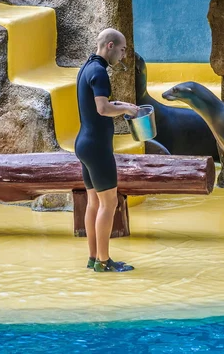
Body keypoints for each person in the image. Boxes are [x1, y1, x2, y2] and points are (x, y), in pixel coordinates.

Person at [75, 28, 139, 272]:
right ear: (110, 46)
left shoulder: (86, 68)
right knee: (109, 204)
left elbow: (98, 105)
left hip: (84, 143)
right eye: (122, 50)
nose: (122, 56)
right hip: (97, 148)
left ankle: (93, 258)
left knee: (94, 203)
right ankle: (104, 261)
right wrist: (123, 110)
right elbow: (102, 108)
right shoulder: (100, 72)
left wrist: (123, 105)